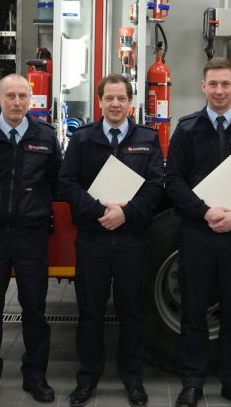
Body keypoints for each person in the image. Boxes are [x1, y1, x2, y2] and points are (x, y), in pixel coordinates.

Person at [165, 57, 231, 407]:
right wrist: (204, 211)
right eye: (213, 84)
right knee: (194, 312)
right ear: (203, 87)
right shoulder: (187, 129)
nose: (219, 90)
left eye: (225, 84)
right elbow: (173, 180)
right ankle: (192, 383)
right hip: (198, 233)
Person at [59, 73, 165, 407]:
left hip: (133, 239)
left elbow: (155, 186)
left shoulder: (147, 138)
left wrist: (127, 213)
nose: (116, 104)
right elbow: (67, 182)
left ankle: (132, 379)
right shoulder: (83, 139)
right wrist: (97, 210)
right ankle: (87, 378)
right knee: (89, 312)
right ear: (100, 101)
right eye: (110, 98)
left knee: (132, 313)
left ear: (130, 103)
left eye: (122, 98)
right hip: (92, 238)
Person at [0, 73, 62, 407]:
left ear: (30, 100)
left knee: (35, 310)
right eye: (11, 96)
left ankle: (36, 375)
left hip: (31, 237)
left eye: (23, 96)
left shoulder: (45, 137)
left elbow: (54, 182)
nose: (17, 102)